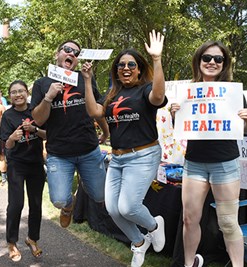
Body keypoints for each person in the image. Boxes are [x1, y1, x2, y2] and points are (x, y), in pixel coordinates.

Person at [82, 30, 167, 267]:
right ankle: (139, 242)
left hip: (144, 155)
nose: (126, 68)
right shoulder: (113, 94)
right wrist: (88, 81)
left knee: (128, 206)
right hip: (117, 158)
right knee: (113, 209)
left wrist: (157, 59)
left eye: (131, 64)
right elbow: (94, 112)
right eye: (121, 65)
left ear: (139, 68)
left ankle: (154, 225)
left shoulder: (146, 89)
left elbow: (159, 96)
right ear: (116, 70)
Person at [169, 41, 247, 267]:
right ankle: (189, 264)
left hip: (226, 163)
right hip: (194, 164)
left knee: (228, 222)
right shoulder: (187, 93)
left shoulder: (234, 92)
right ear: (199, 61)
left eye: (218, 59)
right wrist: (175, 114)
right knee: (189, 220)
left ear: (224, 64)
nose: (212, 62)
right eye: (207, 57)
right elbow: (180, 128)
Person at [30, 39, 109, 228]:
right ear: (57, 54)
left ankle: (85, 183)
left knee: (100, 195)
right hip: (59, 154)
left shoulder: (85, 78)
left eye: (76, 53)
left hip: (88, 150)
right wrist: (48, 97)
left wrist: (105, 132)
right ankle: (68, 207)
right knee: (58, 199)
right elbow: (38, 120)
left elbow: (97, 109)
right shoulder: (41, 83)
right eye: (67, 50)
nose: (72, 54)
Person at [0, 80, 46, 262]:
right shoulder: (8, 116)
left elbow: (49, 134)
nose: (18, 95)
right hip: (17, 165)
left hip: (35, 164)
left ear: (27, 93)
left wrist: (34, 129)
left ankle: (32, 239)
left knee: (36, 204)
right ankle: (11, 242)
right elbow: (7, 145)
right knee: (16, 205)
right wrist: (12, 137)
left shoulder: (36, 111)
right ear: (9, 96)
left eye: (21, 91)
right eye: (13, 92)